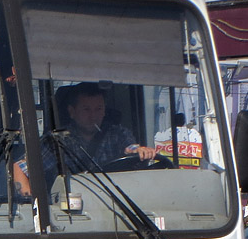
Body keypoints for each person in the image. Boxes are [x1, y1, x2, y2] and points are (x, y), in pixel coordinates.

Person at [14, 82, 156, 195]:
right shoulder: (57, 141)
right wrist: (31, 201)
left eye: (98, 109)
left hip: (116, 208)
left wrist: (140, 151)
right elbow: (20, 168)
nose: (93, 116)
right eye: (86, 109)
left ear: (104, 110)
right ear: (72, 112)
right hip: (72, 214)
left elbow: (130, 148)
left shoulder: (117, 134)